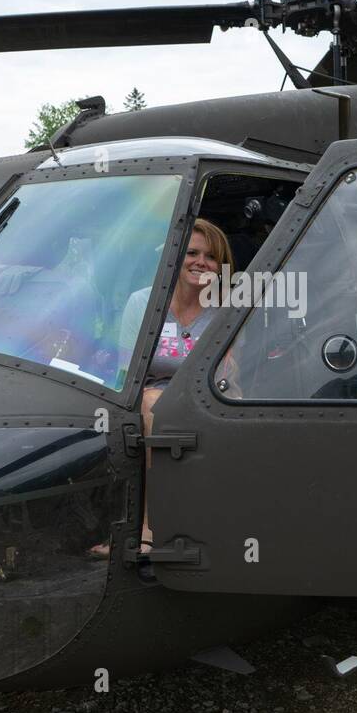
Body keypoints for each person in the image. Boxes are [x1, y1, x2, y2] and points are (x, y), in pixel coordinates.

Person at [90, 218, 234, 559]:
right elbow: (127, 370)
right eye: (192, 253)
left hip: (207, 395)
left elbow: (229, 372)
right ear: (174, 257)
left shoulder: (227, 309)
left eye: (211, 257)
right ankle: (148, 528)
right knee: (156, 408)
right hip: (149, 395)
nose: (201, 262)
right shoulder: (144, 302)